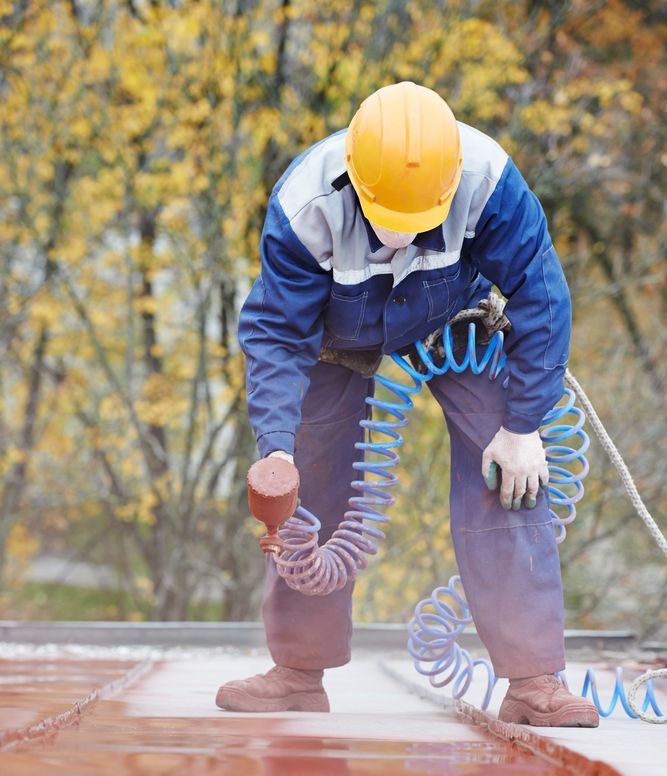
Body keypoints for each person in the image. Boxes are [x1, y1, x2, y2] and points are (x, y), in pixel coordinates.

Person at [216, 81, 599, 727]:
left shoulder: (488, 179)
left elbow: (540, 294)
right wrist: (276, 449)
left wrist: (522, 424)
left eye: (419, 219)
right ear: (356, 186)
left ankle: (535, 680)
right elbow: (277, 334)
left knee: (506, 472)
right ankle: (297, 672)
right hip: (335, 333)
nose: (403, 236)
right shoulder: (304, 201)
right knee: (308, 482)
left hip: (455, 314)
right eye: (389, 220)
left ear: (449, 185)